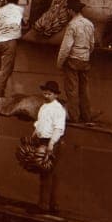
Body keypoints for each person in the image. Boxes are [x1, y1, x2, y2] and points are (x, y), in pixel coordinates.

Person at [57, 0, 99, 123]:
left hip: (72, 61)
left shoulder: (72, 25)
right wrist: (85, 55)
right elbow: (92, 44)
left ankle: (75, 118)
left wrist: (59, 63)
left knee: (72, 90)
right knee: (84, 90)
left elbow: (66, 47)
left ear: (70, 11)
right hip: (85, 60)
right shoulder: (89, 24)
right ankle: (87, 116)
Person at [29, 81, 67, 212]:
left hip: (52, 143)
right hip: (42, 141)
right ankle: (52, 205)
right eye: (44, 93)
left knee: (47, 174)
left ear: (56, 95)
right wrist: (35, 133)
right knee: (49, 174)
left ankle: (43, 206)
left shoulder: (58, 109)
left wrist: (51, 144)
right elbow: (40, 122)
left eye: (49, 94)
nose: (46, 96)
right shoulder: (44, 106)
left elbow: (58, 128)